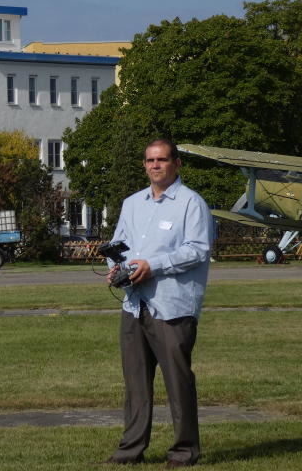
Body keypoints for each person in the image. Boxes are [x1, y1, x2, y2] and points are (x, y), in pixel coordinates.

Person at [103, 139, 213, 467]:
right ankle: (130, 450)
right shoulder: (132, 203)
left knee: (178, 382)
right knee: (136, 384)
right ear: (144, 164)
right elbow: (117, 244)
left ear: (176, 163)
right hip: (134, 305)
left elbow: (198, 249)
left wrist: (154, 265)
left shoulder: (192, 203)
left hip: (172, 307)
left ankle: (184, 451)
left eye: (162, 160)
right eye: (150, 160)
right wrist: (115, 269)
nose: (155, 165)